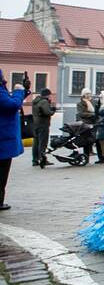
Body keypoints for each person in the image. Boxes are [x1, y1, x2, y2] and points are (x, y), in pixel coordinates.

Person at [0, 71, 32, 210]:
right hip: (3, 139)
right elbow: (11, 105)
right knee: (1, 172)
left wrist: (24, 91)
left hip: (4, 138)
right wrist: (19, 91)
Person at [31, 88, 56, 167]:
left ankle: (35, 160)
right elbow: (47, 112)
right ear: (47, 95)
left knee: (36, 143)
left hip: (35, 124)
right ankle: (42, 159)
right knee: (42, 143)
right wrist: (53, 111)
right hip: (43, 124)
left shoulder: (35, 101)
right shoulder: (44, 102)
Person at [77, 88, 101, 162]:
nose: (88, 95)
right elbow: (81, 113)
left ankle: (101, 158)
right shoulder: (80, 103)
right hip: (86, 124)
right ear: (83, 95)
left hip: (94, 123)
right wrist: (91, 115)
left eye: (89, 93)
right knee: (86, 141)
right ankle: (86, 157)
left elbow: (98, 110)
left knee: (97, 140)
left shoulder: (94, 102)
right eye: (87, 94)